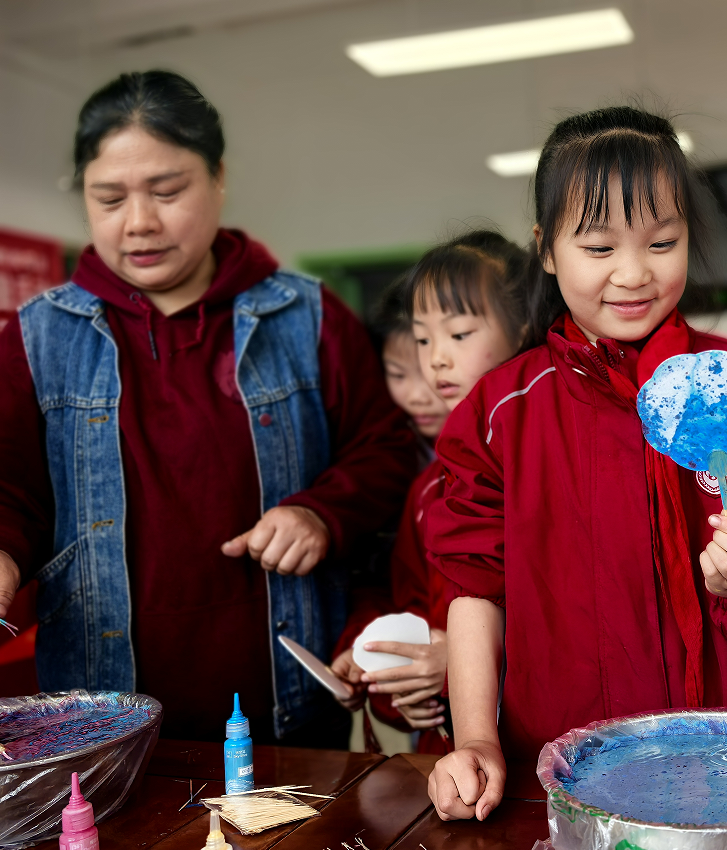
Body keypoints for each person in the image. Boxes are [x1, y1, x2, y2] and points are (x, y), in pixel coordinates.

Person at [426, 106, 727, 822]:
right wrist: (476, 738)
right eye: (599, 247)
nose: (634, 273)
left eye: (662, 242)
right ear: (547, 250)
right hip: (566, 775)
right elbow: (473, 588)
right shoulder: (501, 412)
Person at [0, 70, 416, 743]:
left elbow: (387, 448)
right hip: (100, 716)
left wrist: (322, 513)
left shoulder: (305, 318)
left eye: (167, 192)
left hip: (286, 715)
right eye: (109, 198)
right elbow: (11, 490)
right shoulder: (38, 337)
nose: (139, 222)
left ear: (218, 177)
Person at [331, 232, 528, 751]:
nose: (436, 359)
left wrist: (460, 664)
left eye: (459, 334)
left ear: (523, 329)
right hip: (454, 758)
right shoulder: (428, 487)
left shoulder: (548, 466)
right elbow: (413, 612)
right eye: (422, 340)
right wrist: (395, 677)